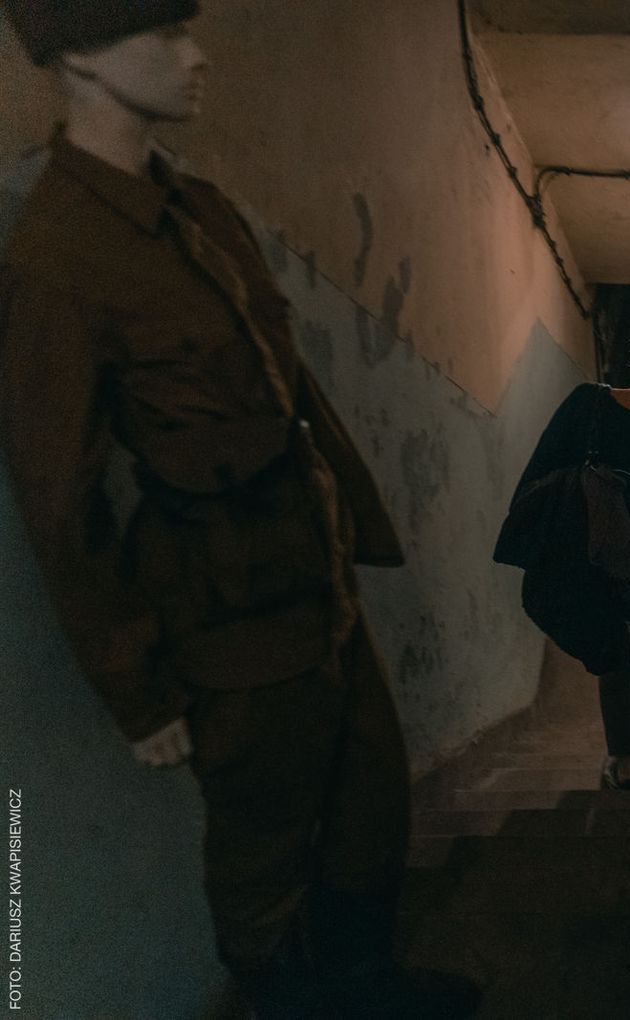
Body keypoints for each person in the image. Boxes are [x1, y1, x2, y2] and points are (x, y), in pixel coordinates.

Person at [0, 4, 477, 1016]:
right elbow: (58, 498)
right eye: (162, 36)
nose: (196, 56)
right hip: (227, 611)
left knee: (371, 802)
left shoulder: (200, 212)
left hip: (317, 576)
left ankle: (366, 987)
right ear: (78, 56)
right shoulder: (60, 256)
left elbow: (284, 389)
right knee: (265, 844)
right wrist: (137, 691)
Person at [512, 301, 630, 789]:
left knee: (611, 652)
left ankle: (623, 763)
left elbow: (540, 473)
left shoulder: (587, 404)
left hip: (590, 556)